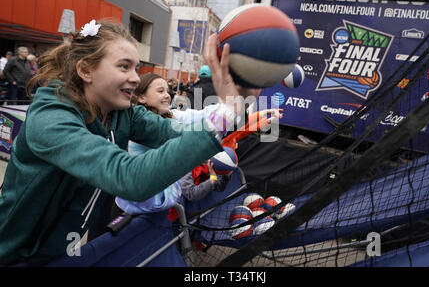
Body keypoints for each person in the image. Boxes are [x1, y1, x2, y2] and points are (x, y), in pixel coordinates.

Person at [0, 20, 252, 266]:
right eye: (124, 67)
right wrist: (225, 114)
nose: (134, 77)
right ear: (85, 70)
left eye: (136, 68)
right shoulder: (51, 119)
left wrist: (235, 104)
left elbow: (179, 132)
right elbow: (129, 178)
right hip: (13, 253)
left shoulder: (121, 113)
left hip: (60, 249)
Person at [113, 73, 222, 216]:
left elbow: (201, 115)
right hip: (133, 213)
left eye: (167, 91)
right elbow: (173, 131)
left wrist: (234, 104)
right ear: (141, 97)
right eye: (160, 91)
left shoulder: (170, 115)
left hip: (156, 210)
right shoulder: (141, 125)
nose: (167, 95)